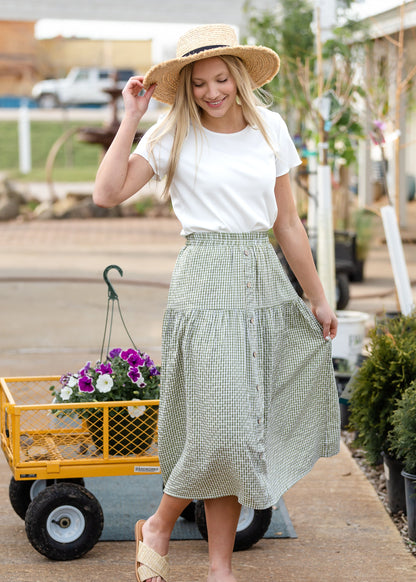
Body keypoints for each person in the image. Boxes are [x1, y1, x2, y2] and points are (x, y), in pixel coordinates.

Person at [93, 23, 340, 582]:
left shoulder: (269, 128)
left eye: (221, 79)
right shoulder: (170, 132)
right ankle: (158, 523)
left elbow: (290, 223)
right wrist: (132, 118)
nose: (211, 92)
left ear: (239, 78)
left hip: (260, 282)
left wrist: (318, 297)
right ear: (185, 86)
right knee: (220, 424)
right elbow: (106, 194)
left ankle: (219, 567)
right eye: (199, 82)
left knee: (242, 426)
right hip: (203, 282)